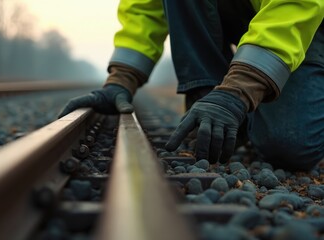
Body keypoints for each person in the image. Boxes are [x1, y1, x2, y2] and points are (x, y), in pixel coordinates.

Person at [59, 0, 324, 170]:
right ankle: (210, 101)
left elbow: (296, 6)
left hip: (304, 20)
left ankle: (234, 103)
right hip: (241, 11)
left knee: (290, 149)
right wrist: (121, 79)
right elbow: (145, 7)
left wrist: (240, 89)